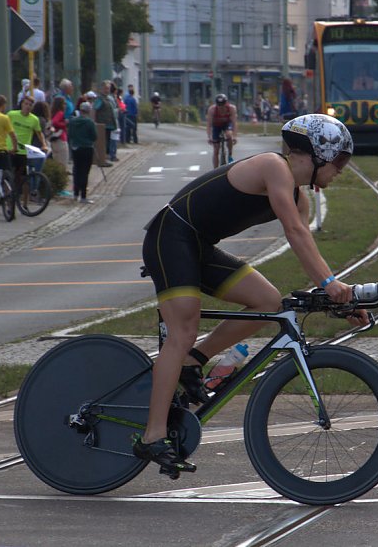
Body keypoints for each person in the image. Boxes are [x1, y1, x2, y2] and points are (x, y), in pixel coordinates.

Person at [133, 113, 362, 473]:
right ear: (318, 153)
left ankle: (194, 360)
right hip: (170, 236)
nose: (342, 170)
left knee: (269, 302)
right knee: (182, 329)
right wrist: (330, 284)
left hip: (198, 246)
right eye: (340, 161)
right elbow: (294, 232)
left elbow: (307, 248)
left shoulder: (299, 198)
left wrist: (339, 299)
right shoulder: (274, 167)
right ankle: (153, 436)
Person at [7, 96, 48, 193]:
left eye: (30, 105)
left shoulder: (34, 119)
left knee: (23, 177)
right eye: (26, 104)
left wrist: (44, 144)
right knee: (8, 175)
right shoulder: (12, 114)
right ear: (22, 104)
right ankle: (6, 196)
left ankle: (25, 202)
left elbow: (39, 133)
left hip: (23, 150)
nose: (27, 106)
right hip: (10, 148)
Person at [67, 101, 97, 203]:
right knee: (85, 172)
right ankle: (83, 196)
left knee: (76, 170)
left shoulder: (72, 121)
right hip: (87, 148)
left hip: (76, 148)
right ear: (88, 111)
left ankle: (75, 194)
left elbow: (70, 134)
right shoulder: (89, 122)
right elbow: (94, 136)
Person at [206, 93, 237, 169]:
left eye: (223, 104)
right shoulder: (212, 110)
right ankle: (215, 170)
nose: (221, 107)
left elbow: (234, 123)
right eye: (219, 105)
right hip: (216, 126)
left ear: (226, 103)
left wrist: (234, 136)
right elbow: (209, 124)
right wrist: (209, 137)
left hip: (227, 124)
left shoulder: (232, 108)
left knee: (229, 135)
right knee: (216, 150)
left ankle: (230, 154)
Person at [91, 81, 117, 164]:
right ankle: (103, 159)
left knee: (108, 143)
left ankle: (105, 158)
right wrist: (93, 122)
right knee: (103, 143)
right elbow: (94, 110)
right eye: (105, 88)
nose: (107, 90)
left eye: (108, 89)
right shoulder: (100, 99)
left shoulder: (108, 98)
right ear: (101, 89)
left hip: (109, 124)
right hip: (102, 125)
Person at [49, 96, 70, 169]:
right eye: (64, 103)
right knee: (63, 162)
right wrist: (64, 124)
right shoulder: (60, 113)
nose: (65, 105)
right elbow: (54, 122)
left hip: (55, 139)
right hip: (61, 139)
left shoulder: (53, 113)